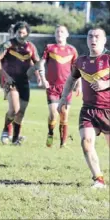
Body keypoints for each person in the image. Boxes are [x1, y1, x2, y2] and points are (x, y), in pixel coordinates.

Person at [58, 27, 109, 188]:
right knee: (86, 142)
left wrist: (106, 83)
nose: (93, 39)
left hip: (108, 110)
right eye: (90, 36)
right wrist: (63, 99)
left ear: (104, 40)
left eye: (97, 36)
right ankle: (98, 179)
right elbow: (70, 81)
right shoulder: (81, 61)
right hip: (88, 110)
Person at [0, 21, 41, 145]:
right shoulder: (8, 45)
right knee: (14, 109)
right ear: (15, 32)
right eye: (19, 32)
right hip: (10, 81)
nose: (21, 34)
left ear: (28, 34)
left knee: (21, 112)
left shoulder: (31, 47)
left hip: (24, 82)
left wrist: (38, 74)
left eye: (24, 33)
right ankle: (5, 130)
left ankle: (15, 138)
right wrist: (4, 76)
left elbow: (37, 62)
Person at [39, 25, 80, 148]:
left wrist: (79, 85)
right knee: (53, 114)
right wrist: (43, 79)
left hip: (66, 88)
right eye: (57, 32)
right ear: (55, 34)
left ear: (67, 34)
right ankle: (50, 133)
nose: (60, 33)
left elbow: (77, 69)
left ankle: (63, 143)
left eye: (62, 32)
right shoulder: (50, 48)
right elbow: (41, 64)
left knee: (64, 114)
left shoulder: (72, 50)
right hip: (52, 87)